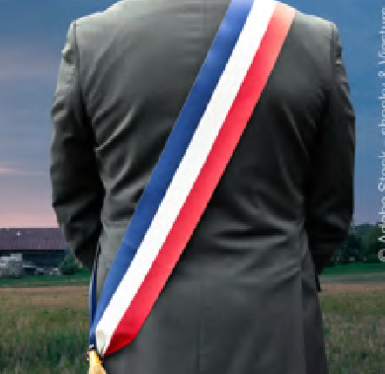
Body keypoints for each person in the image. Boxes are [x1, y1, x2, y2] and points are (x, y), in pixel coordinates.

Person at [49, 0, 353, 373]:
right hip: (277, 328)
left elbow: (73, 200)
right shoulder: (314, 41)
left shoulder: (91, 39)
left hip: (139, 338)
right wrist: (282, 267)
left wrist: (129, 268)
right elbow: (332, 207)